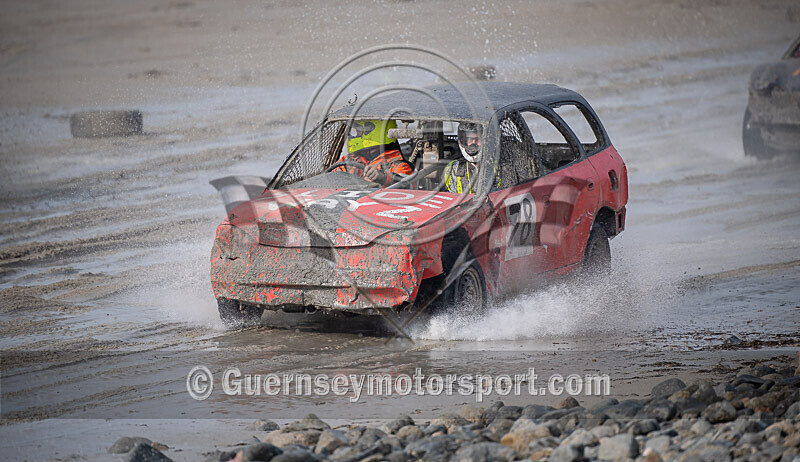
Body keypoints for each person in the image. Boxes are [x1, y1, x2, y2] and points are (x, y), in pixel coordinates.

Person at [334, 119, 412, 186]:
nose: (356, 135)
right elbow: (328, 178)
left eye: (358, 132)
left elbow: (409, 186)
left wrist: (383, 177)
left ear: (374, 132)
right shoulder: (348, 161)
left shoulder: (398, 166)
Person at [443, 122, 482, 194]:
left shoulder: (499, 168)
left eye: (478, 139)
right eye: (469, 139)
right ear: (462, 141)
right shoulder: (452, 168)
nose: (474, 142)